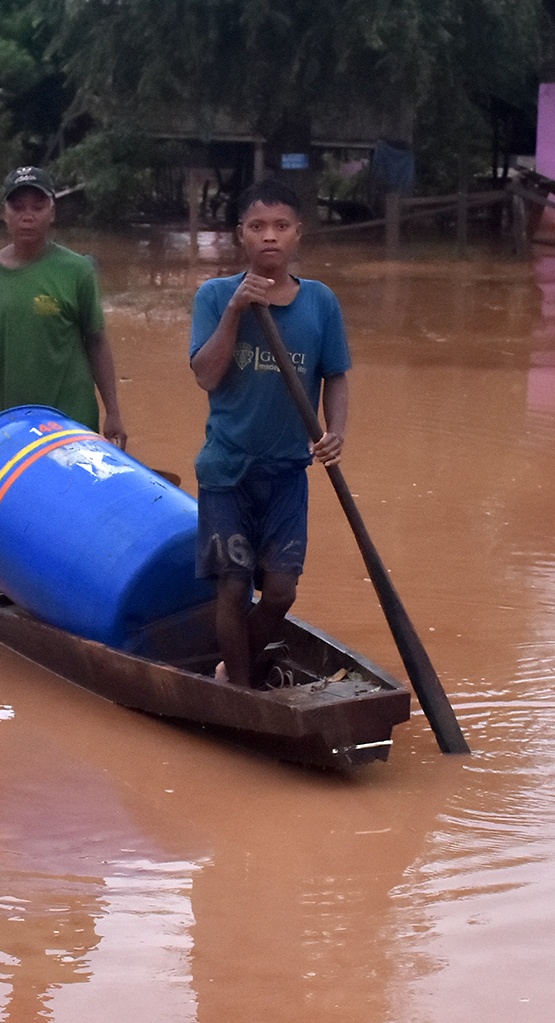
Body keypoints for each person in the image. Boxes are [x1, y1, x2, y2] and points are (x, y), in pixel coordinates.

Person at [187, 180, 349, 688]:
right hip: (227, 470)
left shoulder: (320, 302)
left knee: (280, 593)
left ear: (298, 233)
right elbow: (205, 374)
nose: (270, 237)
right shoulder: (215, 297)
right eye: (258, 227)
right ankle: (239, 688)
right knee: (232, 589)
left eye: (281, 226)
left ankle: (228, 670)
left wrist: (335, 432)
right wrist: (236, 310)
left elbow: (336, 375)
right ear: (241, 236)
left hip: (285, 472)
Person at [0, 166, 127, 448]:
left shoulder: (77, 270)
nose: (27, 216)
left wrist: (113, 412)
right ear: (4, 213)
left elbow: (97, 341)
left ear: (52, 212)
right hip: (13, 422)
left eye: (38, 206)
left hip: (72, 421)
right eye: (17, 207)